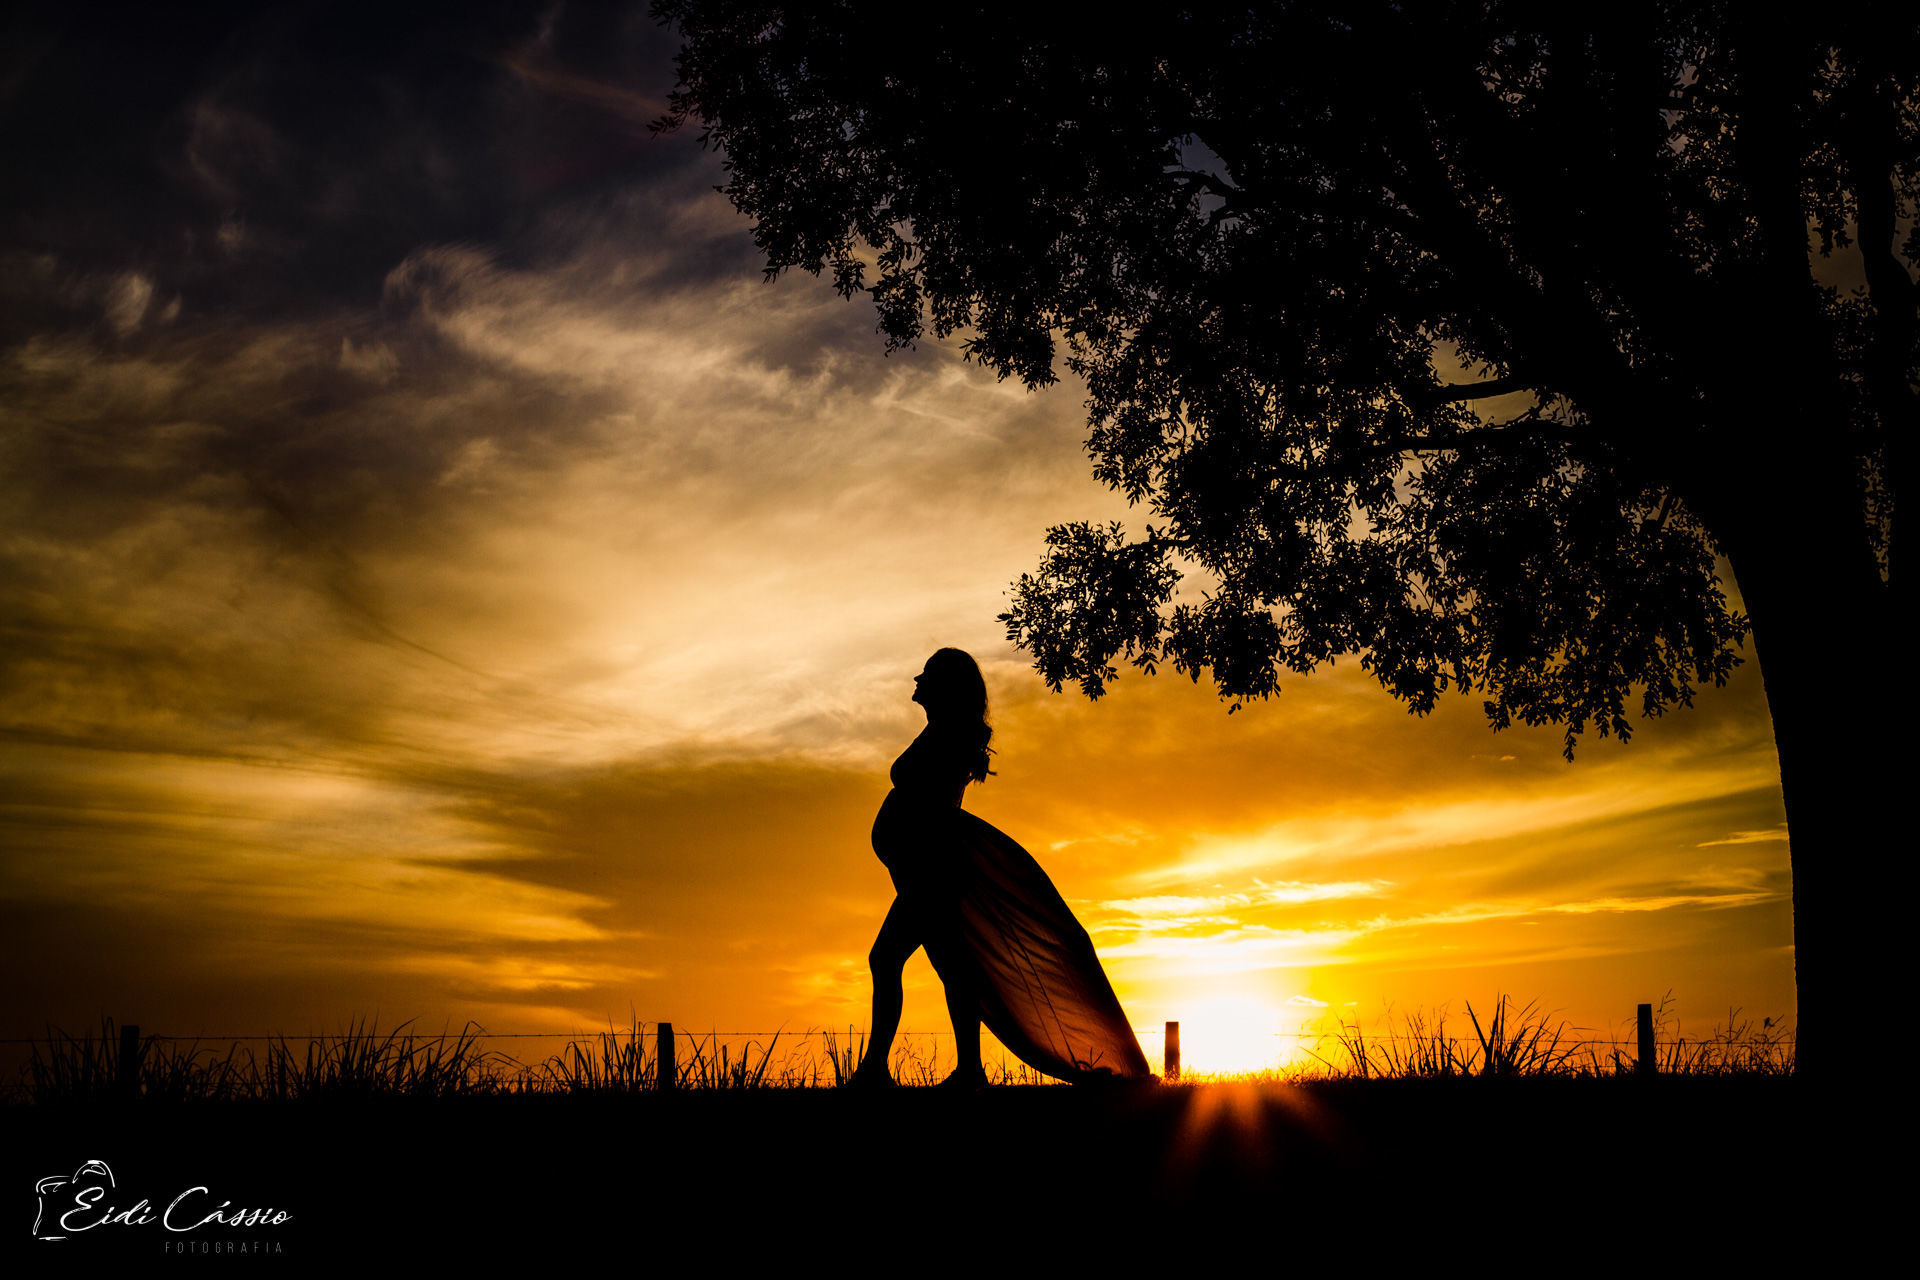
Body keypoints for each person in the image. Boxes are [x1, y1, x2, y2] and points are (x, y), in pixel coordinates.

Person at [848, 648, 1152, 1088]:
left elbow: (930, 812)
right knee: (949, 967)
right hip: (927, 869)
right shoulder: (941, 731)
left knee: (894, 960)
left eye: (926, 677)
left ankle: (884, 1070)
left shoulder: (948, 736)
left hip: (934, 870)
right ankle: (959, 1070)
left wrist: (911, 853)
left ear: (943, 688)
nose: (916, 682)